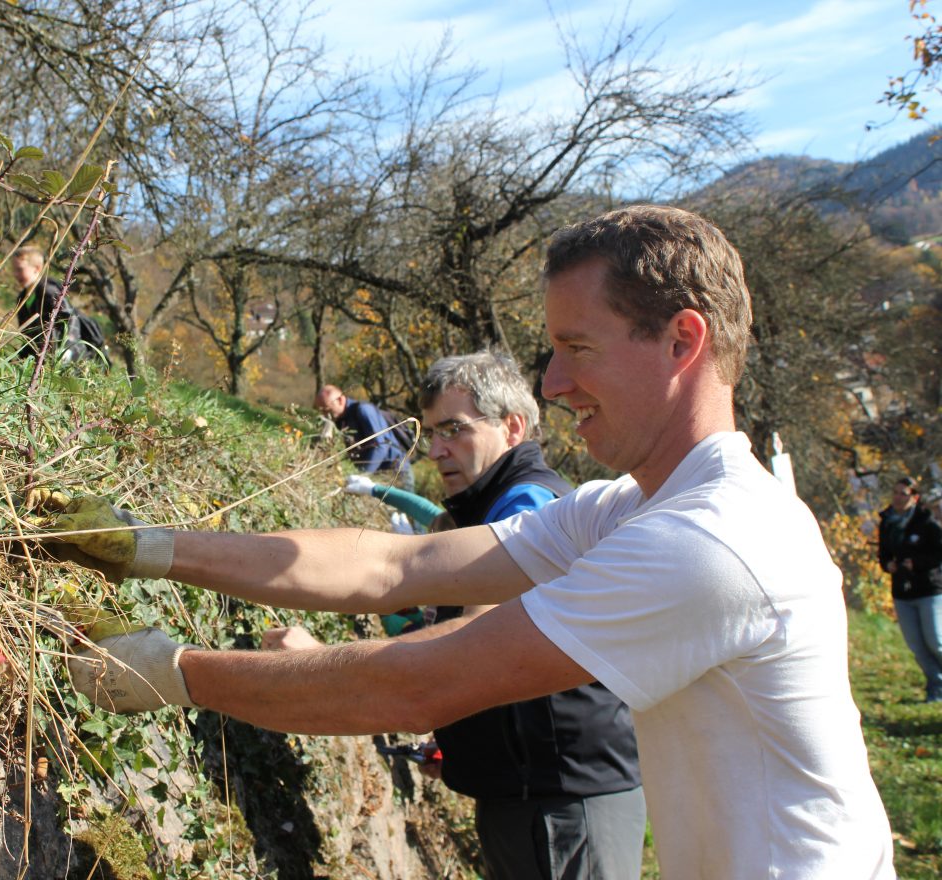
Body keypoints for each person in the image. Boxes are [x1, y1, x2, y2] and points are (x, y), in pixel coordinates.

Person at [48, 205, 895, 878]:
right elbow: (398, 564)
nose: (555, 383)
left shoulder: (715, 540)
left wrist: (173, 674)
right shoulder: (629, 508)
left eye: (577, 349)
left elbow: (421, 684)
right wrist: (147, 546)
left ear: (682, 341)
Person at [277, 351, 644, 880]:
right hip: (536, 795)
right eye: (430, 432)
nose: (436, 449)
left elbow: (470, 648)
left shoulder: (528, 506)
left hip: (560, 804)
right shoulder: (492, 505)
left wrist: (318, 662)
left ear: (512, 426)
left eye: (453, 428)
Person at [878, 476, 942, 703]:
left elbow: (938, 553)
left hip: (929, 590)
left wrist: (917, 563)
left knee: (936, 641)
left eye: (902, 493)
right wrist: (888, 565)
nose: (897, 497)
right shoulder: (887, 521)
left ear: (914, 497)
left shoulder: (927, 522)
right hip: (902, 592)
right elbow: (883, 554)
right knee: (917, 645)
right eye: (895, 492)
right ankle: (936, 687)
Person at [314, 384, 414, 490]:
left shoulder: (364, 410)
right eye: (322, 411)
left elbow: (380, 446)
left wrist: (362, 476)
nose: (325, 414)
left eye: (327, 409)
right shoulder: (341, 420)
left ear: (340, 400)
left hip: (397, 474)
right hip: (379, 475)